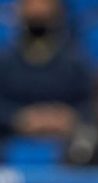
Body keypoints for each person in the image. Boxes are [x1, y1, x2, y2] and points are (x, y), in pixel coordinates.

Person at [0, 0, 90, 139]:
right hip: (8, 140)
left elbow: (91, 102)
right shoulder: (5, 63)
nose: (38, 11)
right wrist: (18, 117)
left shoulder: (76, 63)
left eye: (44, 13)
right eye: (32, 9)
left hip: (69, 142)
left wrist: (69, 117)